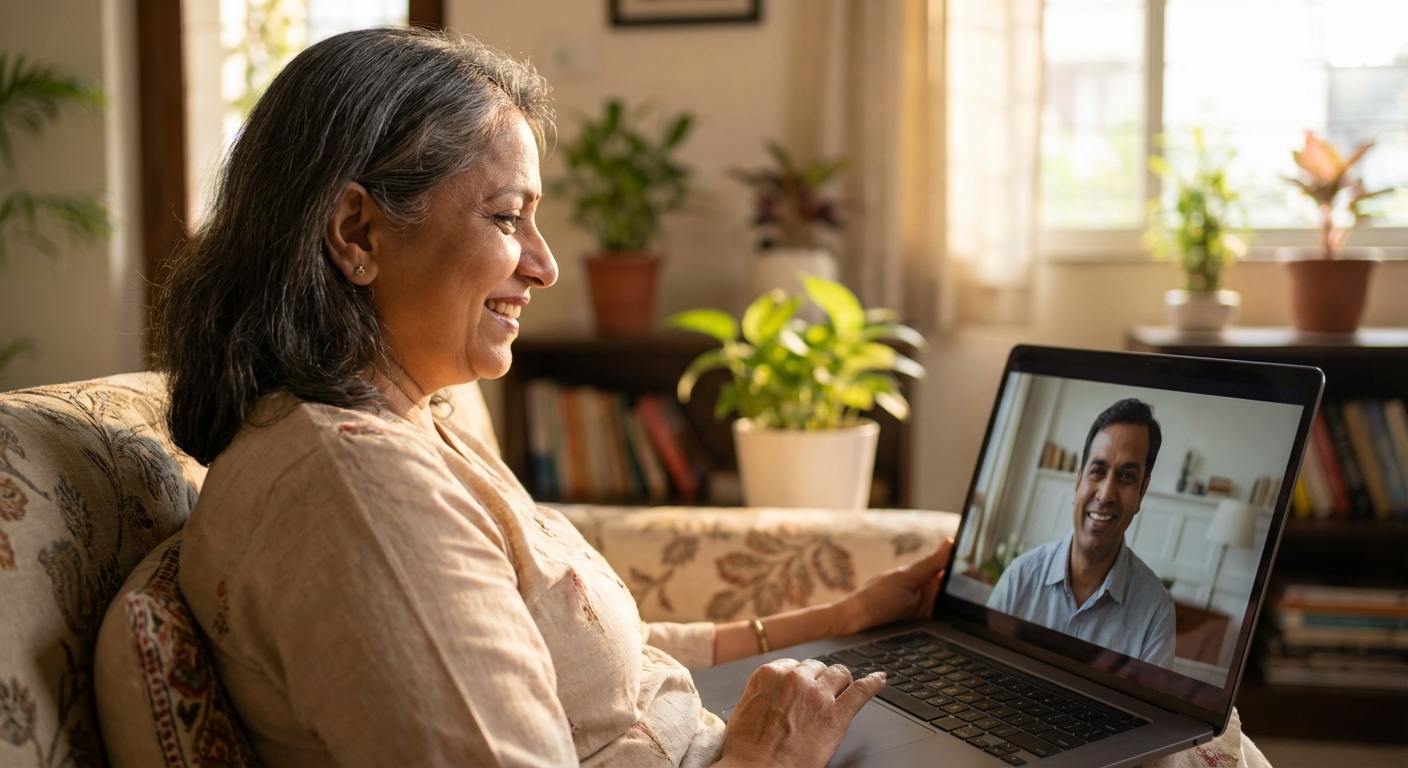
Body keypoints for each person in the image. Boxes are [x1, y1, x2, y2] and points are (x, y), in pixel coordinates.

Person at [154, 28, 952, 768]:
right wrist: (763, 756)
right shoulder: (360, 495)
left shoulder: (412, 420)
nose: (545, 266)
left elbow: (585, 662)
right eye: (507, 217)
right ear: (358, 234)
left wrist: (842, 621)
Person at [986, 399, 1177, 669]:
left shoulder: (1157, 610)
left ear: (1141, 493)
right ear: (1078, 481)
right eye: (1098, 471)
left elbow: (1149, 711)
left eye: (1126, 477)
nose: (1106, 494)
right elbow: (980, 670)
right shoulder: (1020, 576)